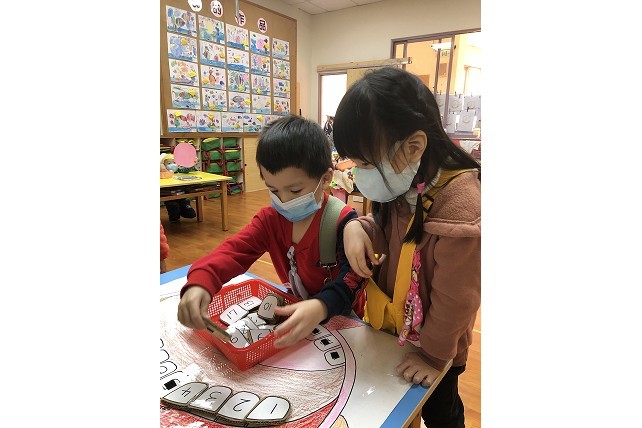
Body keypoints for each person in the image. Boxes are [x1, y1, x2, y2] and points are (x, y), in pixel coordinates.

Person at [332, 67, 481, 428]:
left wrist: (432, 356)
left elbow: (457, 299)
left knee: (441, 411)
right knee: (400, 407)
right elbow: (385, 231)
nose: (359, 174)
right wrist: (356, 226)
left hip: (437, 346)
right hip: (396, 328)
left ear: (414, 146)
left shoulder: (460, 208)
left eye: (366, 163)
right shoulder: (405, 180)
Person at [177, 115, 367, 348]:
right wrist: (200, 282)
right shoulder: (270, 220)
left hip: (343, 323)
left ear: (326, 178)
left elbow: (354, 278)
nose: (284, 200)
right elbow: (232, 252)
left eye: (295, 191)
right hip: (299, 318)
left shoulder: (341, 221)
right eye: (273, 190)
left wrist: (322, 306)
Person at [160, 153, 197, 222]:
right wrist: (162, 168)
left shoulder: (179, 170)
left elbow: (186, 170)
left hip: (181, 195)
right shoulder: (163, 172)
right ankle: (174, 217)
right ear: (164, 164)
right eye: (169, 163)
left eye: (174, 162)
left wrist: (192, 164)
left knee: (191, 214)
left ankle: (183, 208)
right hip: (169, 195)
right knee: (173, 206)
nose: (173, 165)